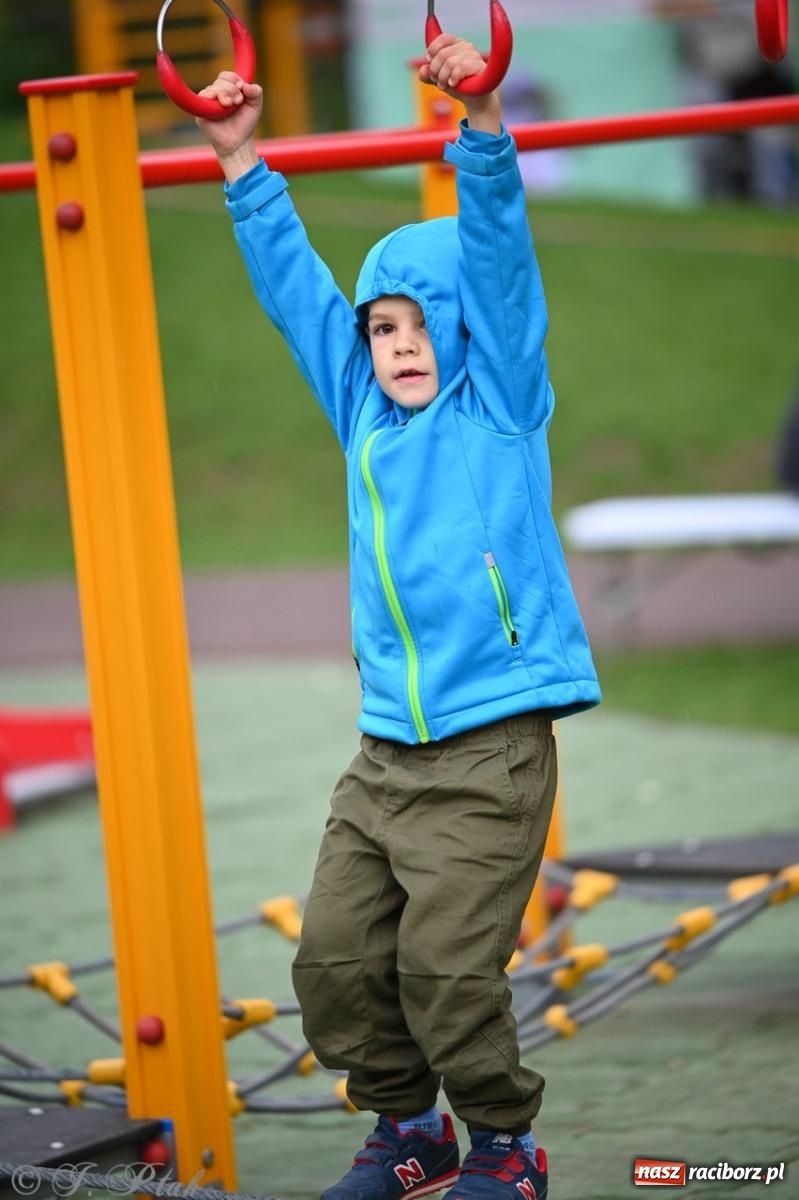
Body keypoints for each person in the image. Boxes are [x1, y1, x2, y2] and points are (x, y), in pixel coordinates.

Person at [197, 32, 600, 1200]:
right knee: (331, 965)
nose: (401, 344)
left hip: (489, 749)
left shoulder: (501, 406)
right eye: (382, 327)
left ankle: (507, 1149)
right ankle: (410, 1131)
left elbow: (501, 264)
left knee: (444, 975)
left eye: (422, 323)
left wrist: (481, 125)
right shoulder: (363, 415)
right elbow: (297, 295)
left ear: (462, 329)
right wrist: (238, 157)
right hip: (385, 753)